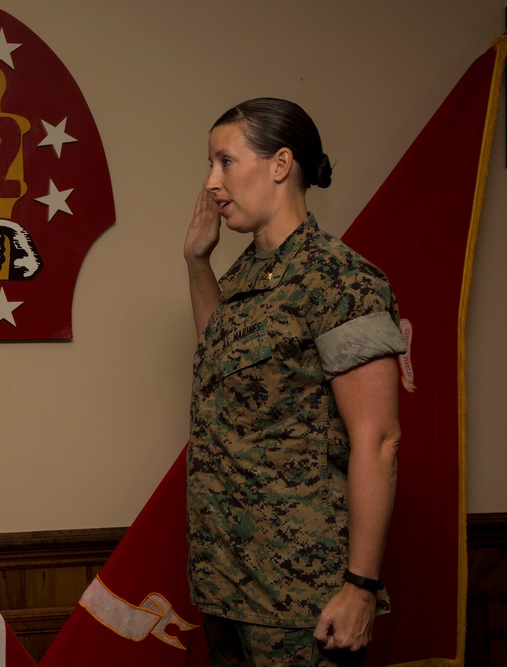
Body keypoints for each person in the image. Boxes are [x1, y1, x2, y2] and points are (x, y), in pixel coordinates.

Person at [183, 98, 405, 667]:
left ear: (280, 164)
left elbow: (378, 441)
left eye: (225, 162)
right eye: (210, 164)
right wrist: (197, 263)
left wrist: (360, 586)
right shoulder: (246, 273)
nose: (211, 182)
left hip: (300, 594)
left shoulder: (342, 282)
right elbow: (220, 358)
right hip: (228, 580)